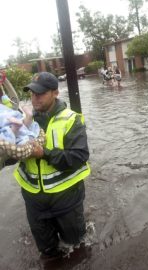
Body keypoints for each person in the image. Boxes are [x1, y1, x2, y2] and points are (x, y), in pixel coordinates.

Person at [13, 72, 91, 261]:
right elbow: (9, 155)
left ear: (55, 93)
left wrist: (44, 153)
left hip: (67, 200)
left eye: (40, 93)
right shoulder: (23, 121)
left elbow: (79, 156)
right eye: (32, 93)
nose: (34, 98)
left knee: (77, 248)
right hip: (34, 203)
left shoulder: (72, 119)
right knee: (47, 253)